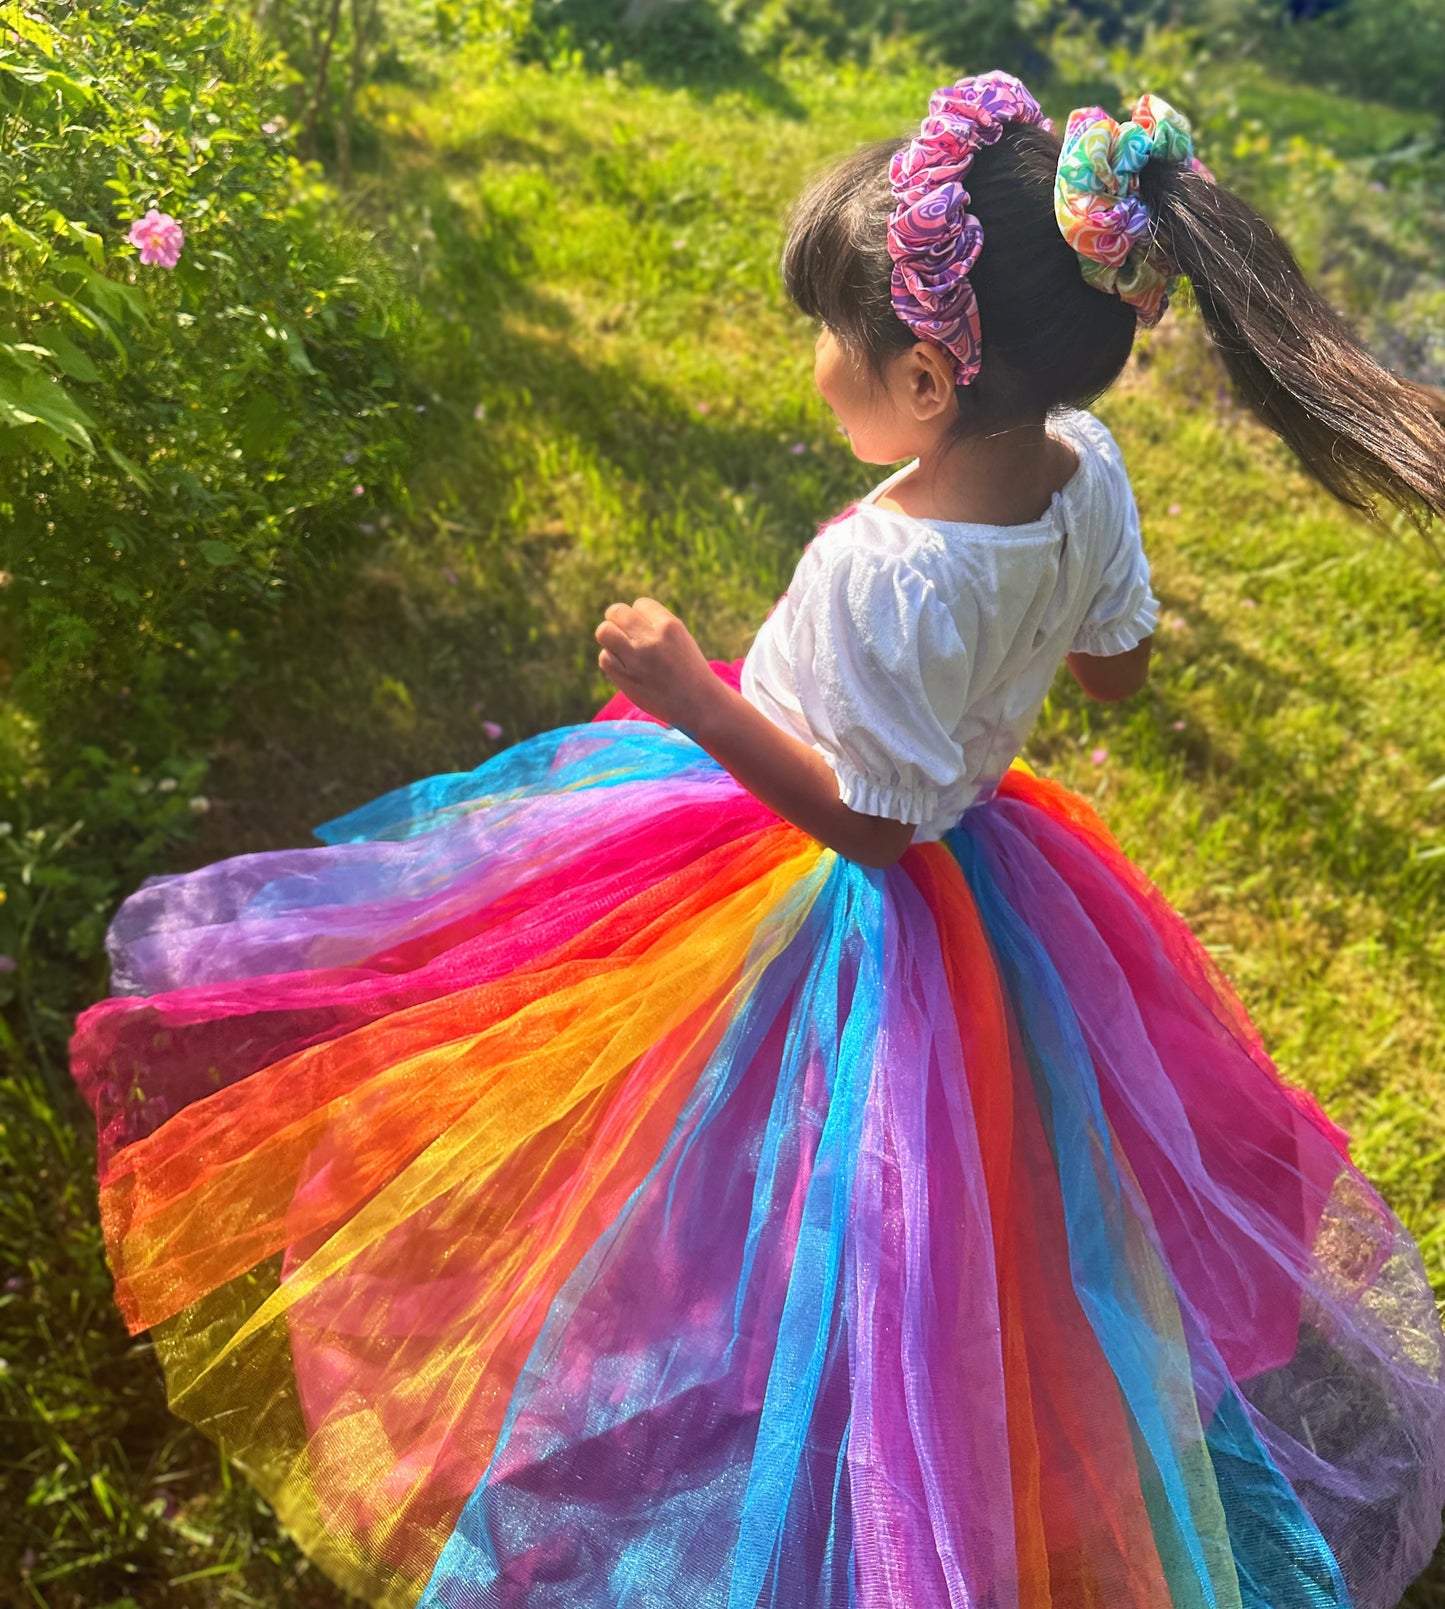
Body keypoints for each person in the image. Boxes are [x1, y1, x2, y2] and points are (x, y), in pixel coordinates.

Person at [70, 71, 1445, 1609]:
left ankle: (768, 1407)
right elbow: (1115, 667)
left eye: (829, 339)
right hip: (998, 866)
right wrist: (1030, 629)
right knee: (1010, 1189)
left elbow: (866, 818)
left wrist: (687, 695)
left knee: (769, 1154)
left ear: (925, 380)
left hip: (840, 888)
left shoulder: (883, 566)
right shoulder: (1090, 472)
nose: (812, 366)